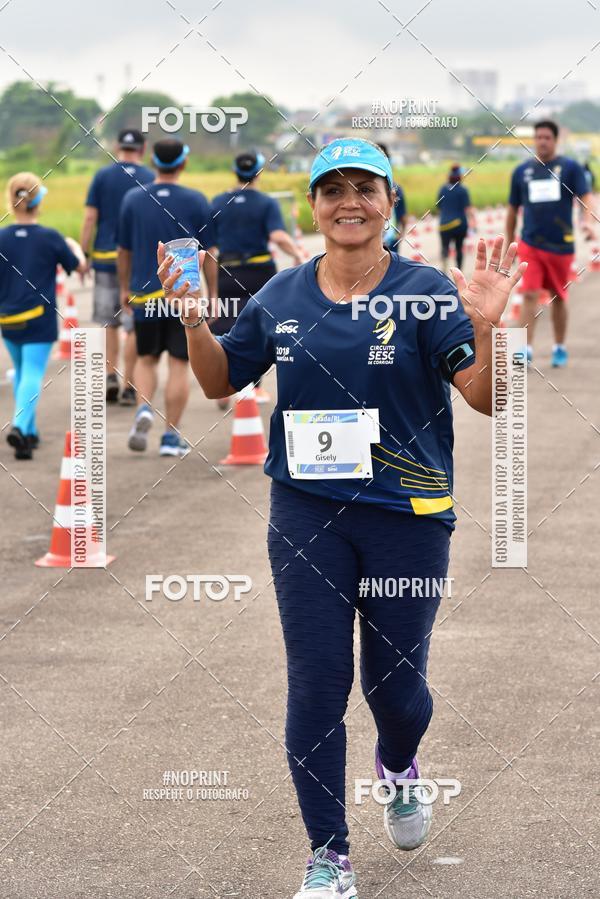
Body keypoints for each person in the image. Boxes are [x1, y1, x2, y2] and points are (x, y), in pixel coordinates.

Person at [157, 137, 525, 897]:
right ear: (314, 205)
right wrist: (195, 322)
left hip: (407, 514)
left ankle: (397, 766)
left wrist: (489, 328)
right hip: (307, 512)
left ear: (389, 201)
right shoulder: (282, 295)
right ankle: (329, 853)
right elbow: (225, 380)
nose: (348, 202)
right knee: (317, 682)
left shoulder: (425, 291)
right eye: (332, 190)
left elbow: (487, 398)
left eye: (365, 187)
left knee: (394, 687)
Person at [117, 138, 217, 456]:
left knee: (146, 359)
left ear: (153, 162)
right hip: (183, 295)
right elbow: (210, 253)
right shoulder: (197, 200)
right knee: (178, 364)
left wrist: (124, 287)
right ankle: (170, 436)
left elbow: (124, 250)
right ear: (183, 164)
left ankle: (144, 408)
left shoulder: (133, 198)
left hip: (145, 293)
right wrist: (212, 294)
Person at [0, 173, 85, 459]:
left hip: (7, 318)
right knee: (33, 374)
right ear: (38, 202)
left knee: (22, 372)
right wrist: (73, 246)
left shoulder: (2, 237)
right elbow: (78, 266)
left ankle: (29, 436)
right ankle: (20, 426)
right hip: (39, 317)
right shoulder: (50, 237)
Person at [209, 149, 303, 408]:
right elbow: (278, 236)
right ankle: (253, 386)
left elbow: (208, 245)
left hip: (227, 270)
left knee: (224, 322)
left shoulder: (217, 202)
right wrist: (296, 253)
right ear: (259, 172)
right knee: (259, 326)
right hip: (260, 272)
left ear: (234, 171)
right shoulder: (266, 203)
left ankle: (221, 383)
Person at [506, 119, 594, 367]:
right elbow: (512, 212)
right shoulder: (522, 172)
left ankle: (559, 347)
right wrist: (509, 246)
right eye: (539, 137)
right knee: (529, 293)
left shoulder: (570, 168)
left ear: (556, 140)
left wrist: (587, 222)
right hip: (530, 244)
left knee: (559, 297)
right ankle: (524, 349)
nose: (542, 141)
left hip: (561, 246)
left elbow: (586, 197)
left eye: (547, 137)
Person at [80, 128, 154, 405]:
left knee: (108, 321)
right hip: (137, 262)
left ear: (117, 145)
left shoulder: (102, 176)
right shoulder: (149, 178)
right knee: (133, 324)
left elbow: (90, 218)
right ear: (143, 149)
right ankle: (129, 385)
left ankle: (110, 374)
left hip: (104, 257)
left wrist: (84, 253)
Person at [437, 164, 476, 272]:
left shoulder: (442, 189)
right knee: (459, 249)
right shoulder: (463, 190)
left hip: (444, 225)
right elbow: (468, 208)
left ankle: (444, 271)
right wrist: (473, 221)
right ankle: (459, 272)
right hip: (460, 224)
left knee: (445, 248)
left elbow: (439, 206)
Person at [377, 143, 406, 250]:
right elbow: (403, 215)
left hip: (390, 239)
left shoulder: (396, 189)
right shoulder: (397, 188)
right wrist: (402, 231)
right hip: (390, 240)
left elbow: (402, 213)